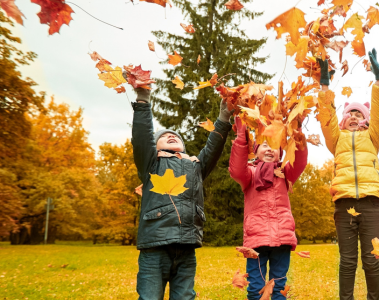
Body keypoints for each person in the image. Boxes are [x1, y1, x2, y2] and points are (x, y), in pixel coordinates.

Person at [130, 78, 232, 300]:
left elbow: (213, 148)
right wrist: (143, 101)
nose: (171, 135)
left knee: (185, 297)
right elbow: (141, 137)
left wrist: (224, 118)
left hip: (186, 246)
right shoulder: (151, 163)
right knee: (149, 297)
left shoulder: (194, 166)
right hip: (155, 246)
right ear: (155, 148)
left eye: (175, 136)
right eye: (163, 137)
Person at [315, 49, 379, 300]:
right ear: (343, 120)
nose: (354, 117)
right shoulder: (336, 140)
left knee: (371, 259)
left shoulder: (373, 137)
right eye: (350, 114)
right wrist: (324, 86)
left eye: (359, 114)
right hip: (344, 203)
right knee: (347, 261)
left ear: (366, 120)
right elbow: (326, 118)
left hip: (370, 202)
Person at [228, 116, 308, 300]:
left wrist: (298, 134)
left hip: (282, 237)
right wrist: (242, 138)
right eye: (264, 145)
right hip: (256, 239)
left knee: (278, 286)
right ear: (255, 152)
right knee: (256, 286)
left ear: (281, 152)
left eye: (274, 145)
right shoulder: (249, 173)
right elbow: (236, 169)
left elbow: (300, 162)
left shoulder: (285, 174)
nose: (269, 149)